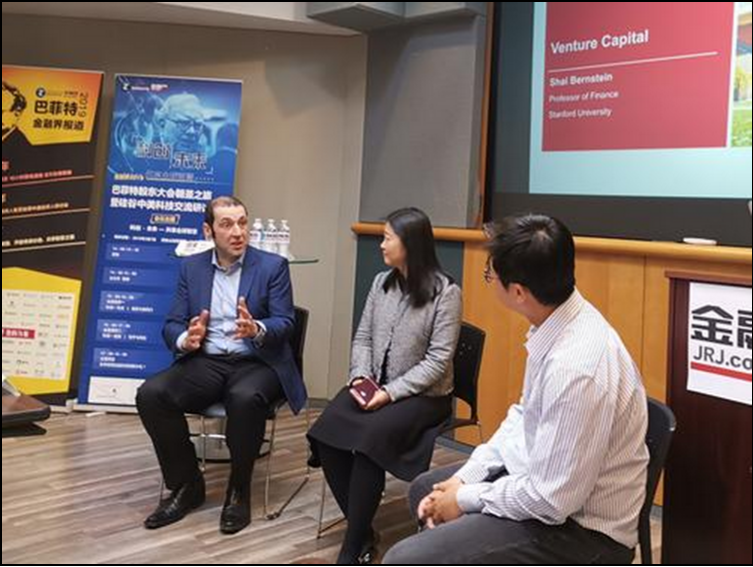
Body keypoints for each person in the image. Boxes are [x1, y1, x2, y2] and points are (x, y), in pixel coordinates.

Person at [382, 214, 649, 565]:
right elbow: (525, 417)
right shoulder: (557, 319)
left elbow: (551, 501)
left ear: (519, 292)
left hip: (583, 532)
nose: (489, 280)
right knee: (425, 490)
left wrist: (465, 498)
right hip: (550, 490)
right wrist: (466, 478)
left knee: (407, 558)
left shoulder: (575, 368)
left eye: (490, 274)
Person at [136, 196, 306, 535]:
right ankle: (186, 484)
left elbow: (286, 322)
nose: (238, 232)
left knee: (244, 398)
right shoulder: (192, 267)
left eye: (242, 222)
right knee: (151, 395)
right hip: (208, 361)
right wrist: (187, 338)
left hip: (257, 361)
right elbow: (171, 323)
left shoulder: (272, 266)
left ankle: (238, 490)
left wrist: (257, 328)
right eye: (226, 224)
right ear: (208, 231)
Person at [307, 207, 462, 564]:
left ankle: (352, 546)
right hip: (376, 385)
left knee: (368, 444)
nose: (381, 244)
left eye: (387, 238)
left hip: (424, 396)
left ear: (410, 244)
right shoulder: (382, 282)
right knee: (326, 432)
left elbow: (438, 362)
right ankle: (362, 530)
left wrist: (389, 393)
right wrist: (361, 377)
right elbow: (363, 336)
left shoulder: (446, 292)